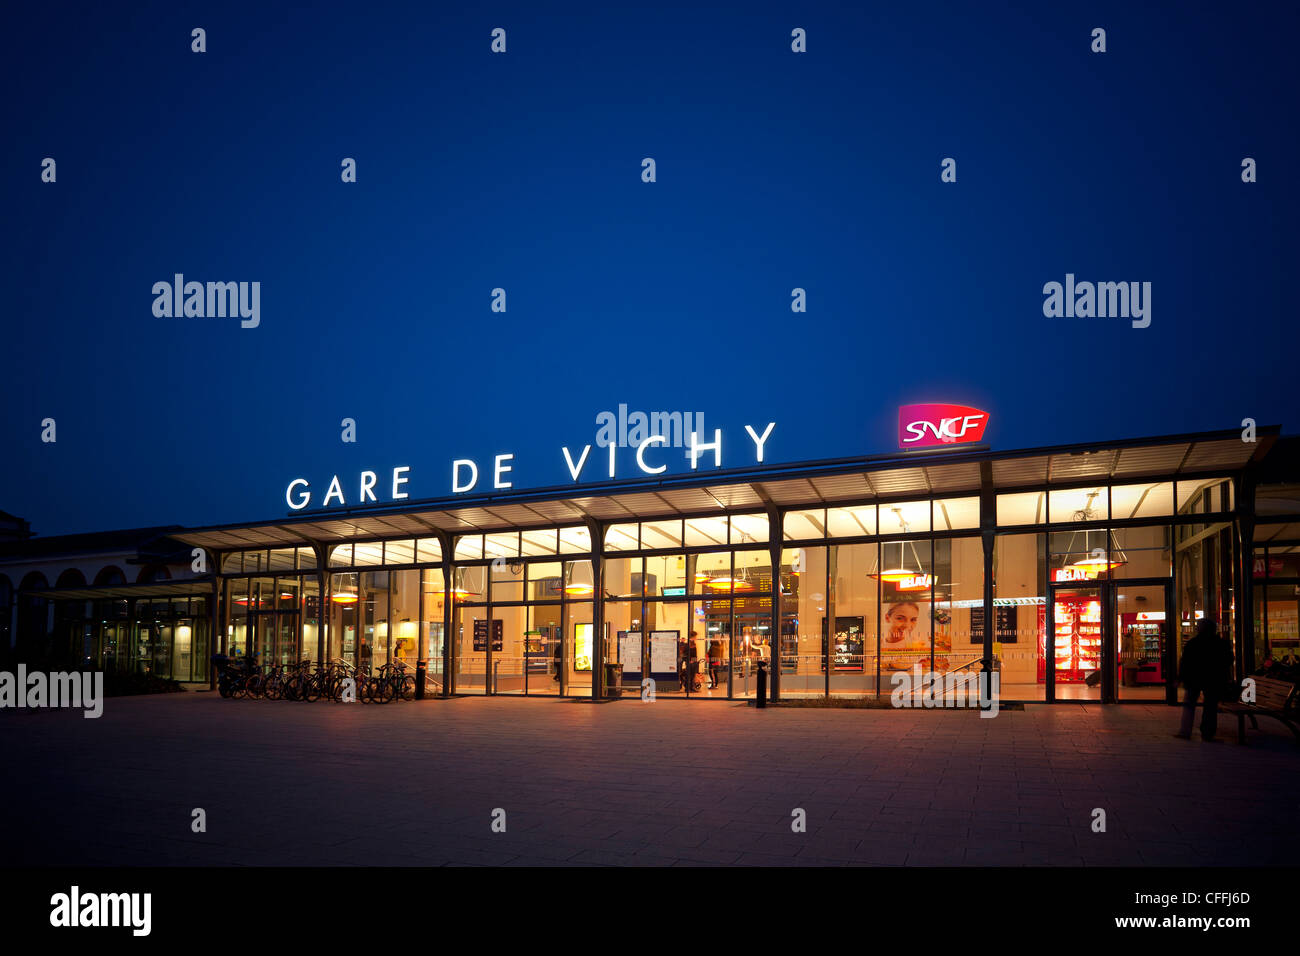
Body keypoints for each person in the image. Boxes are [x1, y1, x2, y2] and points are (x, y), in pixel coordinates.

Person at [1174, 619, 1234, 742]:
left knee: (1189, 705)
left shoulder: (1193, 643)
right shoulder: (1221, 643)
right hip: (1213, 680)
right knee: (1210, 706)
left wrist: (1180, 678)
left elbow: (1185, 663)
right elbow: (1228, 661)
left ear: (1199, 629)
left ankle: (1185, 731)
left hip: (1194, 679)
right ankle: (1207, 732)